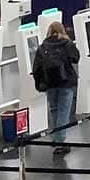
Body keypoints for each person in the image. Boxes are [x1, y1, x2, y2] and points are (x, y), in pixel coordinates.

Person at [30, 21, 81, 152]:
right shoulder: (67, 44)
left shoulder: (43, 47)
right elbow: (76, 57)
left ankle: (56, 138)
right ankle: (59, 142)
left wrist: (39, 83)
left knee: (54, 110)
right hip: (66, 83)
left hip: (50, 83)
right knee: (63, 112)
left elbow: (36, 67)